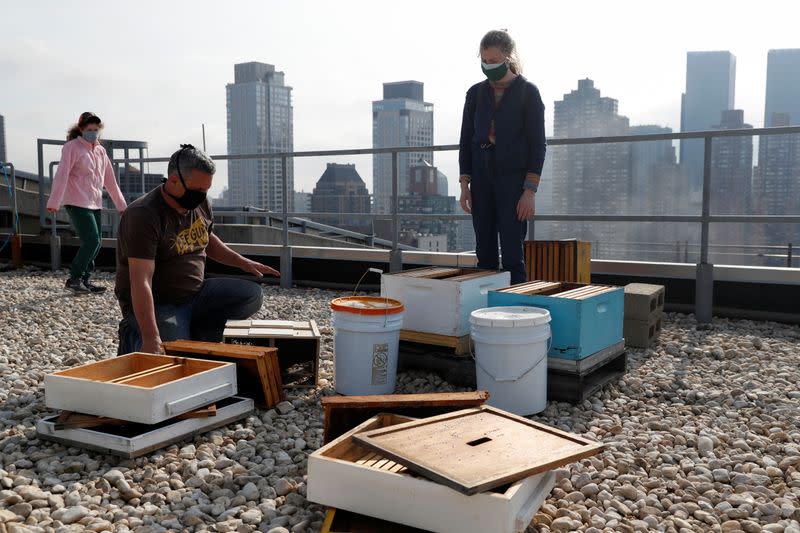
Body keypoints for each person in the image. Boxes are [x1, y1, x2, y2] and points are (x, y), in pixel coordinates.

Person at [115, 144, 279, 355]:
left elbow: (206, 239)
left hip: (195, 295)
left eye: (207, 190)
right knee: (168, 348)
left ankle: (197, 331)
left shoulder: (199, 204)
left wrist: (242, 262)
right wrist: (151, 336)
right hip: (159, 303)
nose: (202, 196)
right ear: (174, 180)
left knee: (251, 296)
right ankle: (133, 335)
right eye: (198, 190)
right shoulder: (144, 214)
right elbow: (140, 280)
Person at [458, 30, 546, 285]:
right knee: (483, 250)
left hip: (513, 180)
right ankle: (482, 313)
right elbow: (466, 141)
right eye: (484, 60)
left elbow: (538, 144)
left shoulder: (528, 92)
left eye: (493, 60)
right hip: (481, 177)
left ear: (508, 57)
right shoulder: (474, 94)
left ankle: (515, 314)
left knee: (512, 253)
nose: (488, 65)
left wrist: (529, 190)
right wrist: (465, 185)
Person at [47, 112, 127, 293]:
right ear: (81, 129)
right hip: (76, 200)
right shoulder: (71, 147)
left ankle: (85, 280)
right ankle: (74, 278)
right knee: (91, 240)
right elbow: (62, 174)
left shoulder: (100, 151)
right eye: (89, 129)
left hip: (94, 201)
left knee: (96, 242)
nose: (93, 132)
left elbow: (110, 180)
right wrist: (54, 201)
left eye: (96, 130)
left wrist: (121, 206)